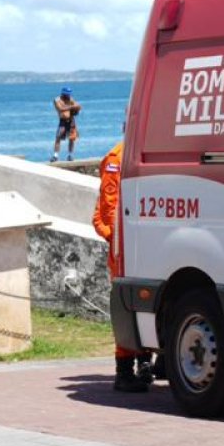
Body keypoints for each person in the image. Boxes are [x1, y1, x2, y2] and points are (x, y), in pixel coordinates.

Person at [92, 135, 153, 393]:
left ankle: (146, 364)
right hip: (124, 245)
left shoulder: (140, 153)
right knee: (127, 306)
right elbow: (109, 209)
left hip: (142, 240)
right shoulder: (118, 158)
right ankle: (124, 370)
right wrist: (118, 240)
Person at [51, 87, 82, 162]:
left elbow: (77, 105)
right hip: (63, 121)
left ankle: (70, 155)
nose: (68, 96)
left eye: (68, 94)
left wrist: (77, 109)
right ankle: (55, 155)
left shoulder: (70, 99)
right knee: (58, 138)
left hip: (71, 121)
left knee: (71, 138)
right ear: (63, 94)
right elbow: (60, 109)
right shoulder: (57, 100)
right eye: (66, 94)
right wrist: (72, 107)